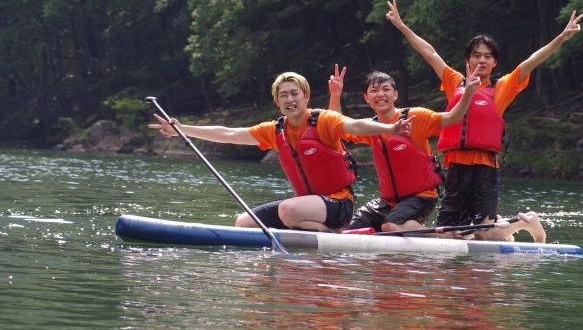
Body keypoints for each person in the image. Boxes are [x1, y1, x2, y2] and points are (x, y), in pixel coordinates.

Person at [385, 0, 583, 243]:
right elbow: (430, 53)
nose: (482, 60)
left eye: (488, 56)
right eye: (476, 55)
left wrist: (562, 38)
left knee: (482, 232)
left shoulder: (502, 88)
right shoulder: (454, 82)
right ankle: (506, 231)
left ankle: (526, 222)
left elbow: (531, 62)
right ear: (468, 60)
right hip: (455, 167)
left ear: (495, 62)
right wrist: (401, 25)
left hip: (484, 169)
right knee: (451, 232)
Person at [148, 71, 413, 232]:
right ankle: (310, 230)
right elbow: (228, 133)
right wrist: (183, 130)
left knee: (288, 211)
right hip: (307, 206)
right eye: (283, 95)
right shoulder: (275, 130)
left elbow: (354, 124)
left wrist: (389, 129)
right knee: (243, 223)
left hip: (338, 204)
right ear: (277, 102)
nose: (290, 100)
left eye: (295, 93)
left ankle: (335, 233)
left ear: (306, 96)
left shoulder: (323, 120)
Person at [326, 64, 479, 234]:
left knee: (390, 226)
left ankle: (441, 237)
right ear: (366, 98)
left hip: (422, 196)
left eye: (386, 89)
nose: (381, 94)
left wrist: (468, 93)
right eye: (374, 90)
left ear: (395, 94)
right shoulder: (370, 127)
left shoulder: (416, 117)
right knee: (348, 231)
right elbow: (337, 126)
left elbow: (453, 118)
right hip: (388, 202)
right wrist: (335, 94)